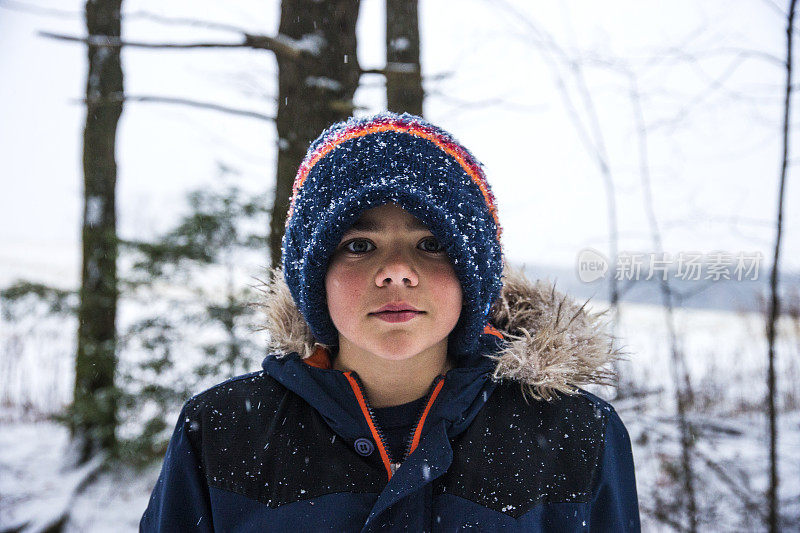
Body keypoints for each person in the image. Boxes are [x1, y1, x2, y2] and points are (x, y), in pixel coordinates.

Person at [140, 112, 640, 531]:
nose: (397, 272)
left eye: (431, 244)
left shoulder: (575, 434)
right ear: (314, 276)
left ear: (475, 275)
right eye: (360, 245)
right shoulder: (221, 432)